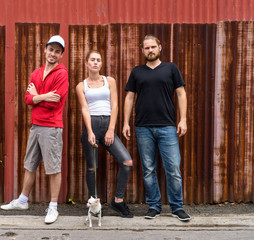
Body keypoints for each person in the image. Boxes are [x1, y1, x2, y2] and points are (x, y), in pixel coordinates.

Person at [0, 35, 69, 224]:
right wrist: (42, 97)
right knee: (29, 164)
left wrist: (38, 96)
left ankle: (53, 207)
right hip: (36, 125)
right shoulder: (36, 73)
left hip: (52, 127)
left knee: (53, 168)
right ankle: (22, 200)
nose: (53, 53)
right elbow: (27, 99)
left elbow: (55, 104)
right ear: (45, 49)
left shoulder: (62, 74)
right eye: (51, 49)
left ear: (61, 55)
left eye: (57, 51)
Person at [122, 35, 191, 221]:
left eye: (153, 47)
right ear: (142, 50)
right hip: (143, 127)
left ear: (160, 48)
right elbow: (129, 97)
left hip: (167, 126)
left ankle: (177, 207)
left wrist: (183, 119)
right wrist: (125, 122)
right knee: (149, 169)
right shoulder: (137, 72)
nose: (150, 50)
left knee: (173, 169)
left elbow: (181, 94)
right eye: (146, 48)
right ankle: (154, 206)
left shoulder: (171, 68)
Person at [76, 50, 133, 218]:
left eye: (98, 60)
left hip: (108, 126)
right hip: (91, 127)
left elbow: (115, 105)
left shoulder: (110, 81)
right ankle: (94, 204)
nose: (95, 62)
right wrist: (90, 132)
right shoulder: (81, 86)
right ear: (86, 63)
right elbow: (84, 109)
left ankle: (118, 201)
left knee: (127, 161)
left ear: (101, 64)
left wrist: (111, 129)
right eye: (92, 60)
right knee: (92, 168)